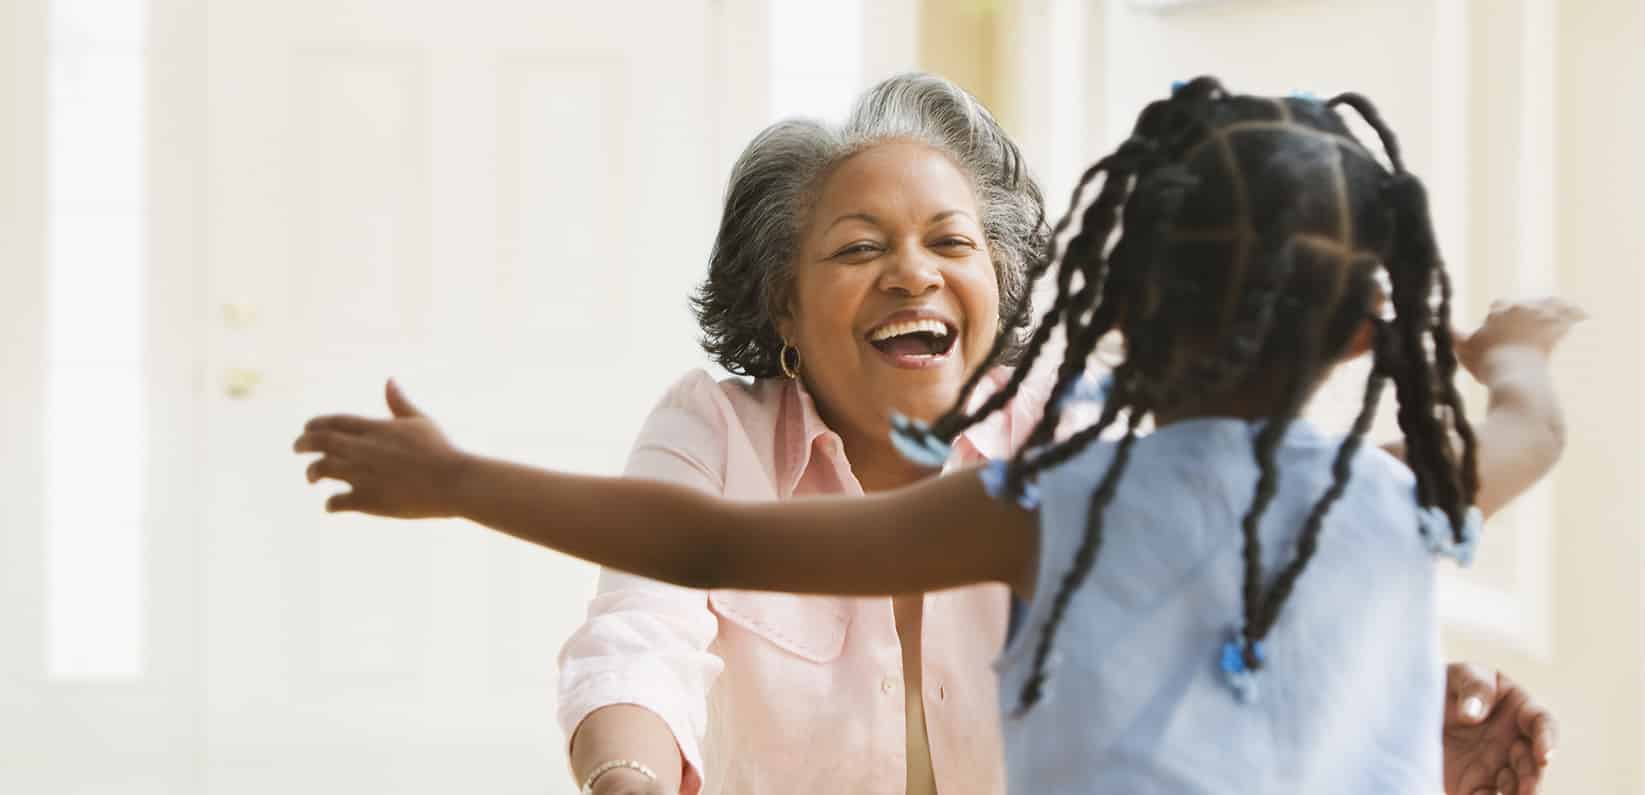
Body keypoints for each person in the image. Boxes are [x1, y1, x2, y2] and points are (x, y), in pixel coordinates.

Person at [294, 76, 1570, 794]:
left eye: (951, 244)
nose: (913, 275)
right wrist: (1510, 350)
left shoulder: (1071, 477)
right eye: (860, 250)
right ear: (778, 306)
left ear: (1044, 295)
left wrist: (465, 481)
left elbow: (700, 544)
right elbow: (644, 619)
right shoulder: (1384, 498)